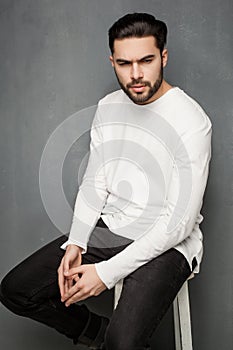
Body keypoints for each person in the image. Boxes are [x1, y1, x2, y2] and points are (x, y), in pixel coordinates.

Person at [0, 12, 212, 350]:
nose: (137, 74)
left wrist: (106, 273)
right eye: (125, 63)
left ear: (164, 57)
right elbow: (96, 182)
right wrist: (77, 243)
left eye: (146, 60)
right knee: (17, 290)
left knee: (123, 343)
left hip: (169, 243)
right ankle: (96, 332)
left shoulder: (190, 120)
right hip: (113, 229)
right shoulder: (108, 106)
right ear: (112, 61)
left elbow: (178, 224)